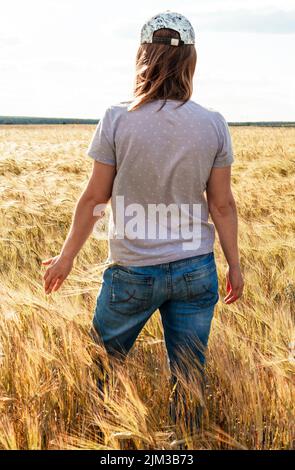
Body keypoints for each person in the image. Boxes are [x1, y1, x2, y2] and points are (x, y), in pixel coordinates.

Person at [42, 11, 244, 432]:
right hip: (195, 270)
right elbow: (222, 205)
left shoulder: (117, 118)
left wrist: (66, 257)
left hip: (132, 273)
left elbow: (96, 197)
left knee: (102, 371)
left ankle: (99, 440)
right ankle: (183, 447)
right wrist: (234, 265)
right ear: (191, 60)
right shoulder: (212, 123)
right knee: (189, 379)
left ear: (142, 55)